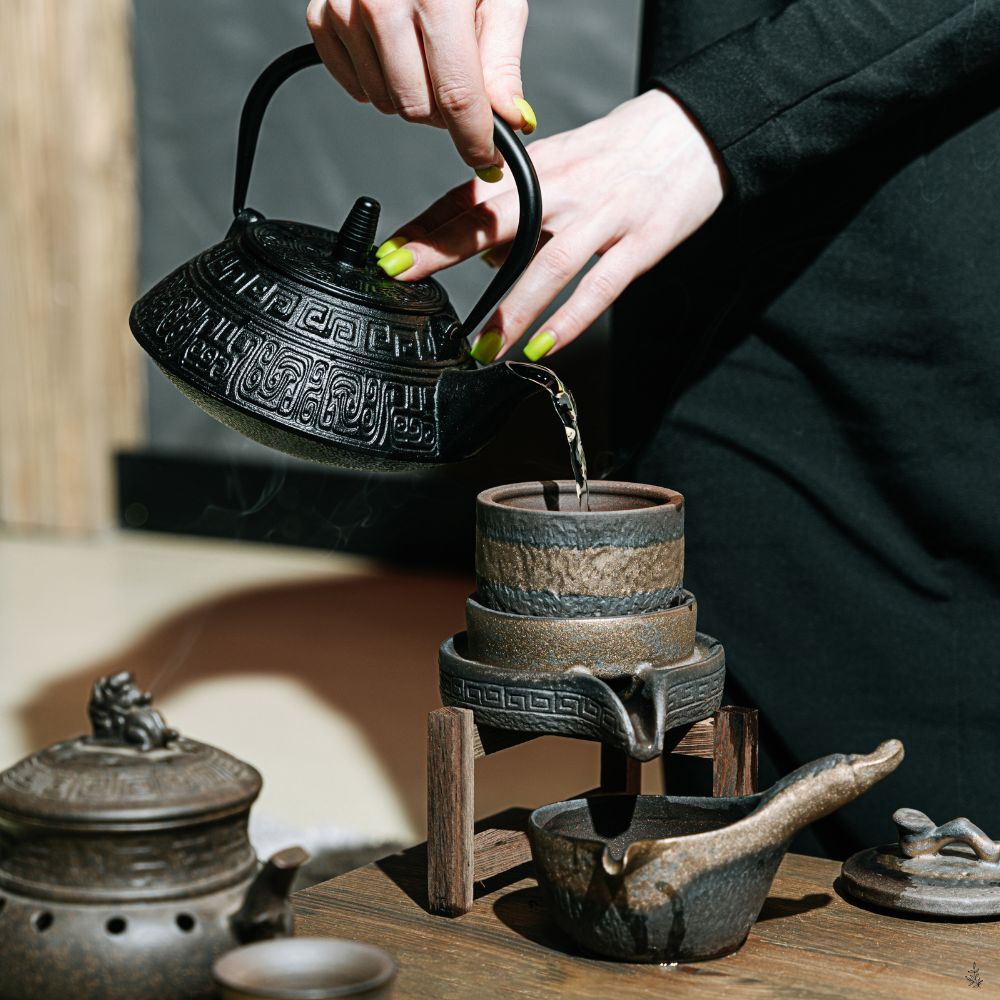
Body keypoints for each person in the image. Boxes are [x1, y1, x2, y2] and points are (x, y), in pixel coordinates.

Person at [306, 0, 1000, 856]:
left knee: (931, 861)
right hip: (715, 290)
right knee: (739, 852)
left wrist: (709, 123)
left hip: (924, 241)